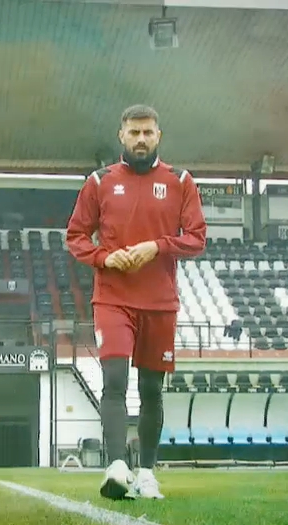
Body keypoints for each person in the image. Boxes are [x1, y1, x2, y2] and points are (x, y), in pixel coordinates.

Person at [65, 104, 207, 500]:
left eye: (147, 132)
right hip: (113, 299)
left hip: (160, 303)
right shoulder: (99, 181)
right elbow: (76, 235)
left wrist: (157, 246)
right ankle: (115, 465)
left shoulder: (180, 181)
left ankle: (146, 473)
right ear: (121, 136)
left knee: (151, 390)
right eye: (133, 132)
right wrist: (104, 256)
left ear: (158, 136)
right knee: (113, 381)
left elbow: (196, 238)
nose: (140, 139)